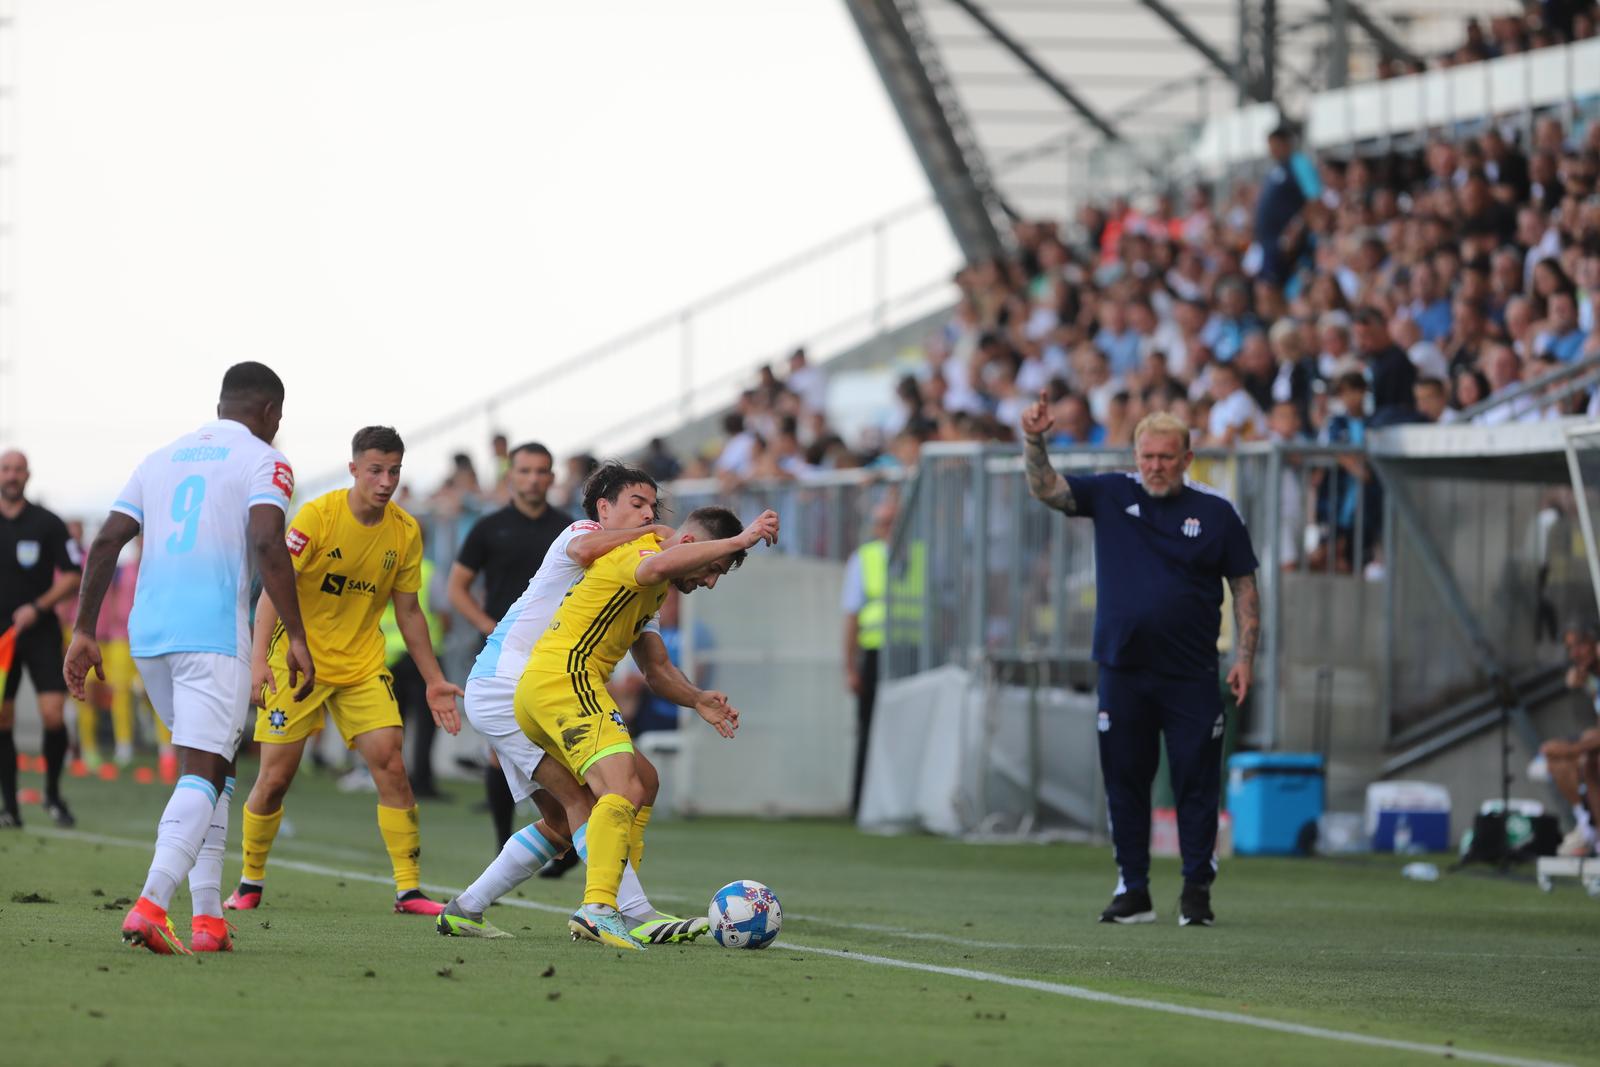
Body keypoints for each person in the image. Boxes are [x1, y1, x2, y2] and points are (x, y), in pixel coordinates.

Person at [64, 361, 314, 954]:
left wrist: (83, 630)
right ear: (272, 412)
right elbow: (265, 540)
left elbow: (105, 542)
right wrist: (297, 636)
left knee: (215, 767)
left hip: (148, 635)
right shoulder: (264, 459)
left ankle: (208, 920)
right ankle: (151, 904)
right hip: (212, 639)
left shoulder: (161, 458)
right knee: (204, 770)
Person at [439, 463, 740, 945]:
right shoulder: (587, 533)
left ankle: (465, 908)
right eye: (635, 505)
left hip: (530, 688)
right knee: (593, 795)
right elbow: (583, 548)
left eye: (652, 507)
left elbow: (656, 668)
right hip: (511, 680)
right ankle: (624, 910)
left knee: (581, 811)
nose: (647, 515)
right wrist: (667, 534)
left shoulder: (641, 576)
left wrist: (698, 698)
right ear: (604, 508)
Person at [1021, 396, 1259, 927]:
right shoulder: (1111, 493)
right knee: (1124, 780)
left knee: (1197, 782)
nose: (1155, 465)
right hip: (1123, 669)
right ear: (1135, 455)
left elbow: (1244, 585)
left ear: (1187, 458)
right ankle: (1133, 888)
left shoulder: (1216, 513)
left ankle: (1197, 889)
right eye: (1147, 456)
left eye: (1166, 457)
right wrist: (1034, 440)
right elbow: (1046, 489)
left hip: (1192, 672)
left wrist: (1245, 656)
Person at [225, 426, 462, 917]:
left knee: (390, 761)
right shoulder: (318, 516)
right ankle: (250, 880)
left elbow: (410, 613)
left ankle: (409, 890)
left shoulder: (405, 531)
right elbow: (272, 587)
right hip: (296, 661)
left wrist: (435, 680)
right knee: (274, 779)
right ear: (354, 469)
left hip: (361, 665)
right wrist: (256, 661)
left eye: (394, 471)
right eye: (375, 470)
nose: (386, 481)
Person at [519, 501, 778, 949]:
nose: (710, 582)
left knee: (643, 782)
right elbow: (659, 562)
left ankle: (629, 911)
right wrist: (740, 539)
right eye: (712, 568)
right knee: (620, 787)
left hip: (548, 689)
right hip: (565, 680)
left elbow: (655, 669)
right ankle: (599, 909)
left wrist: (697, 699)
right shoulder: (642, 555)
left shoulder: (655, 589)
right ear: (692, 544)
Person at [446, 442, 570, 851]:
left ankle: (566, 839)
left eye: (541, 471)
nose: (534, 478)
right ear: (510, 477)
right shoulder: (489, 527)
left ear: (551, 477)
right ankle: (504, 846)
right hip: (506, 658)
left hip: (556, 654)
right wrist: (488, 625)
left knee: (562, 745)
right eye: (525, 471)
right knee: (500, 753)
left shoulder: (569, 529)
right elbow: (457, 587)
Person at [1, 449, 83, 828]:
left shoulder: (47, 523)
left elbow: (72, 575)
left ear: (28, 475)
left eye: (18, 469)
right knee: (3, 717)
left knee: (53, 713)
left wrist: (37, 606)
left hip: (40, 632)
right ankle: (10, 808)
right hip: (2, 638)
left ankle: (51, 794)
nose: (12, 475)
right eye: (6, 469)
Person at [841, 498, 896, 817]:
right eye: (883, 522)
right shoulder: (865, 558)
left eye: (891, 521)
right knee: (869, 728)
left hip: (911, 652)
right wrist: (850, 666)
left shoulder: (923, 554)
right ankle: (861, 803)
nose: (887, 529)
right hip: (875, 654)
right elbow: (851, 616)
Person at [378, 553, 446, 797]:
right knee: (427, 723)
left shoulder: (382, 565)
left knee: (393, 723)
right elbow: (442, 611)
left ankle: (390, 780)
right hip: (423, 654)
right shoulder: (429, 570)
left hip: (386, 655)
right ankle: (422, 780)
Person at [1539, 622, 1600, 857]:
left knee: (1590, 761)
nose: (1575, 654)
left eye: (1581, 645)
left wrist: (1572, 749)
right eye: (1570, 648)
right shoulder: (1591, 679)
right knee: (1555, 758)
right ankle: (1587, 827)